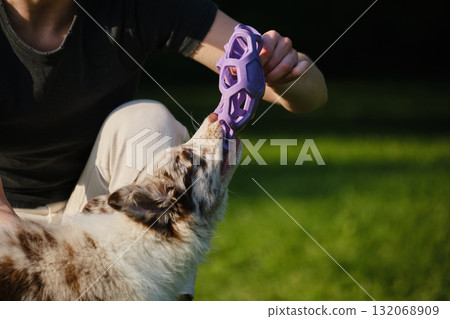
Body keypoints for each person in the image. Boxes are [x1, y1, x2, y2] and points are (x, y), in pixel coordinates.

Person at [0, 0, 327, 299]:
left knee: (148, 122)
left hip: (100, 216)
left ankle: (167, 299)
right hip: (7, 221)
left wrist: (285, 72)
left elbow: (313, 93)